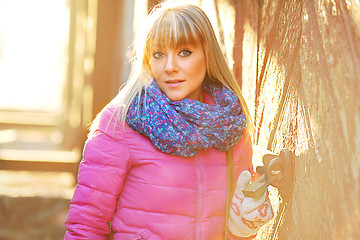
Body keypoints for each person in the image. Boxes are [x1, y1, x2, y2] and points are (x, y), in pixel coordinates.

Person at [64, 1, 273, 239]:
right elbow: (85, 227)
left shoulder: (229, 125)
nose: (170, 67)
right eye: (159, 54)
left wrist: (242, 228)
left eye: (184, 52)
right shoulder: (119, 123)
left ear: (207, 54)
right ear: (147, 60)